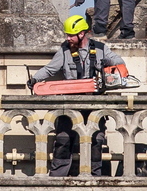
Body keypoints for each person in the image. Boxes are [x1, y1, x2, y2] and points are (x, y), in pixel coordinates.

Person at [26, 15, 127, 176]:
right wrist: (35, 79)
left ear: (82, 34)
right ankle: (57, 179)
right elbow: (50, 69)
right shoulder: (64, 51)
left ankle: (95, 177)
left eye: (70, 35)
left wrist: (112, 71)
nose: (67, 38)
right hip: (70, 105)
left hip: (94, 105)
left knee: (96, 141)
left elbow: (118, 61)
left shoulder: (100, 49)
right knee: (63, 141)